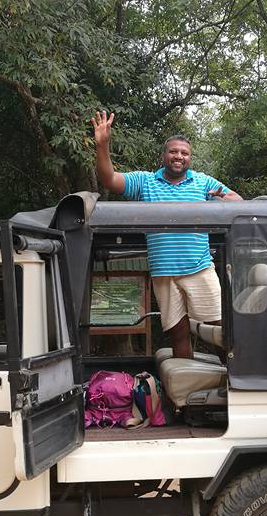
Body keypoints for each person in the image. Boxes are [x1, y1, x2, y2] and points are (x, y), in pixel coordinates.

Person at [91, 110, 242, 359]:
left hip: (200, 268)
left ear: (190, 158)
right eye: (173, 151)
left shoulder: (202, 182)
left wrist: (221, 201)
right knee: (178, 335)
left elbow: (238, 201)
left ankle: (235, 378)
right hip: (163, 273)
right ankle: (188, 382)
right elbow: (110, 179)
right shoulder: (145, 182)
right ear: (163, 156)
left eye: (184, 153)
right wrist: (103, 145)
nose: (179, 156)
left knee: (221, 330)